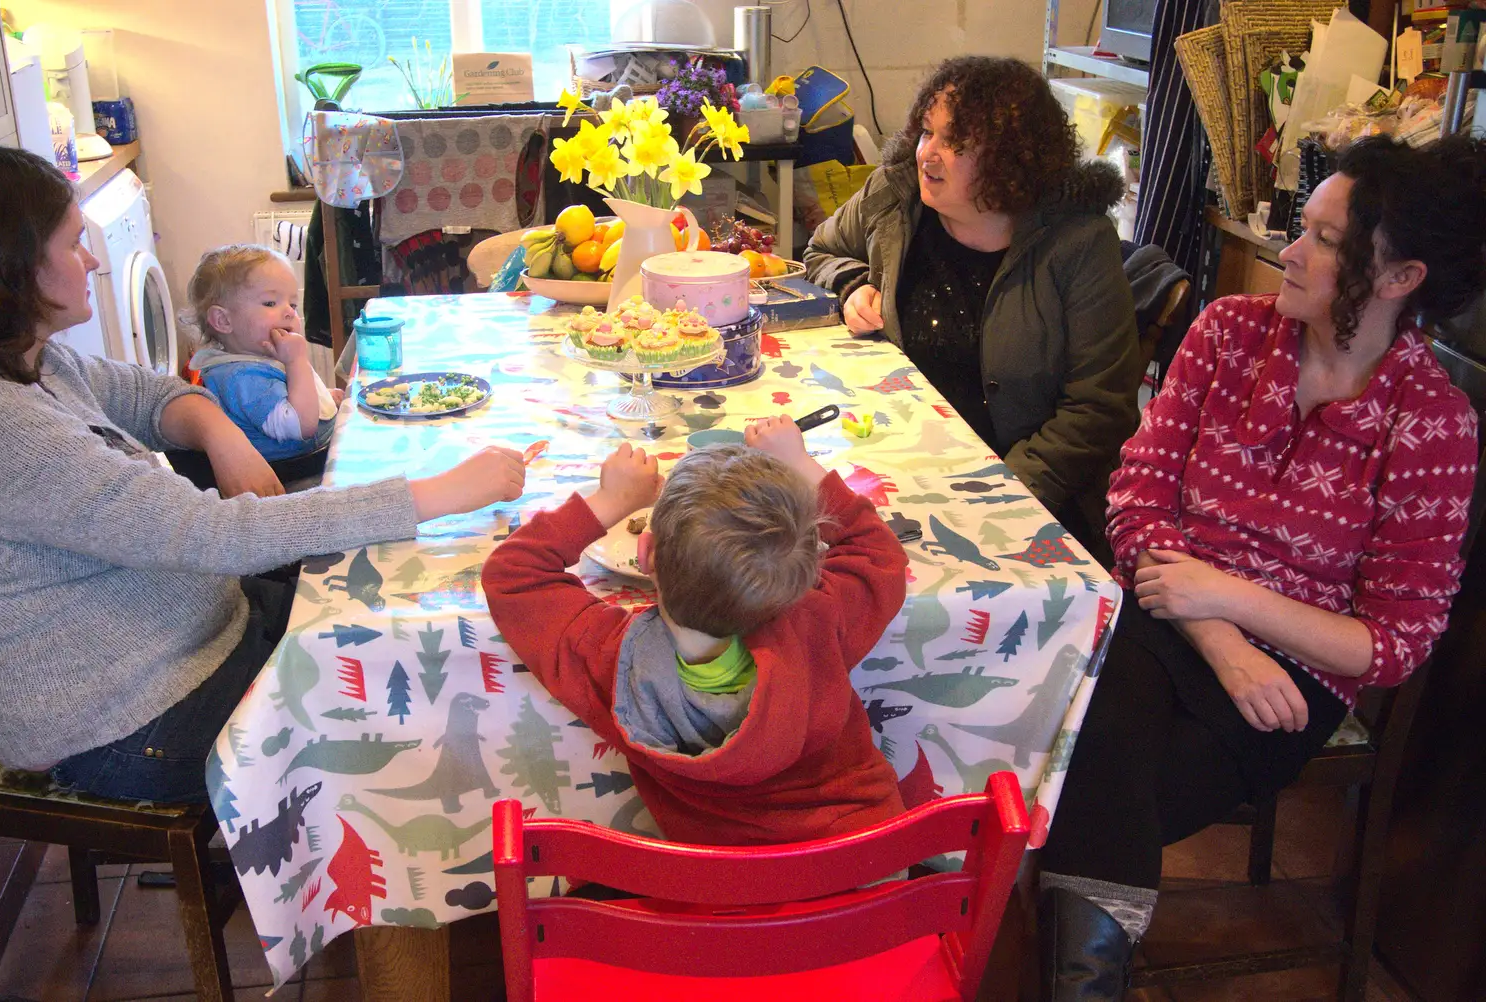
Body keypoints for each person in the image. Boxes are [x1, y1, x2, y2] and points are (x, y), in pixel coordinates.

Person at [0, 146, 527, 803]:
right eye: (76, 244)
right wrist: (436, 493)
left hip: (200, 636)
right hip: (130, 719)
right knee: (420, 723)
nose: (94, 261)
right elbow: (208, 535)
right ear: (6, 263)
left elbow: (150, 395)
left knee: (424, 636)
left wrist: (217, 429)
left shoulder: (20, 360)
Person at [1036, 134, 1486, 1000]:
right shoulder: (1229, 331)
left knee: (1064, 775)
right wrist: (1217, 629)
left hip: (1291, 680)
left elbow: (1393, 642)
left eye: (1322, 239)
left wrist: (1231, 603)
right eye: (1301, 228)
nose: (1289, 249)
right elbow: (1135, 501)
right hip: (1168, 613)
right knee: (1084, 753)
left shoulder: (1432, 420)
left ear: (1400, 280)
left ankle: (1041, 963)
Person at [482, 419, 909, 846]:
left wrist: (609, 501)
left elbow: (512, 573)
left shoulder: (611, 659)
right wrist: (799, 462)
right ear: (808, 569)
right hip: (872, 871)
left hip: (718, 893)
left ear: (644, 554)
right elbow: (876, 551)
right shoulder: (823, 620)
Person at [804, 56, 1141, 524]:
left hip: (1027, 492)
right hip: (901, 457)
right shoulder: (894, 196)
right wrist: (850, 284)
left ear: (1012, 158)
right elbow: (819, 250)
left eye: (955, 141)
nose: (927, 154)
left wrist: (1001, 492)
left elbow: (1099, 409)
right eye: (927, 132)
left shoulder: (1079, 243)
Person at [185, 244, 338, 462]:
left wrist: (323, 395)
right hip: (295, 477)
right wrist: (296, 361)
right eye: (270, 303)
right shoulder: (241, 377)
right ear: (224, 320)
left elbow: (287, 392)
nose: (289, 312)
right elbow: (301, 426)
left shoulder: (259, 358)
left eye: (292, 304)